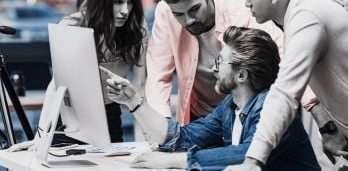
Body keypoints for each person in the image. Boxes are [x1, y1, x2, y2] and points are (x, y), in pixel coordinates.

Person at [225, 0, 348, 170]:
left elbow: (285, 93)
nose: (246, 3)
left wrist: (253, 160)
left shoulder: (306, 16)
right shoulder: (314, 5)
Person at [100, 26, 320, 170]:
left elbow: (247, 154)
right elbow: (181, 138)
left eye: (219, 62)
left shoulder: (273, 108)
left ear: (241, 75)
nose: (213, 69)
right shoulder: (230, 106)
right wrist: (133, 101)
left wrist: (172, 161)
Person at [145, 0, 284, 125]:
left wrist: (313, 106)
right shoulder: (165, 12)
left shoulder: (241, 11)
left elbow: (285, 55)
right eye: (179, 14)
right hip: (200, 115)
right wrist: (161, 126)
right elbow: (158, 75)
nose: (188, 20)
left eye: (194, 9)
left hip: (244, 114)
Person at [55, 0, 148, 143]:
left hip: (110, 115)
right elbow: (56, 88)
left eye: (130, 2)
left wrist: (148, 134)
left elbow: (139, 84)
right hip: (72, 119)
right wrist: (40, 138)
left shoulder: (137, 29)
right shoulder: (71, 26)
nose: (125, 11)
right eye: (118, 2)